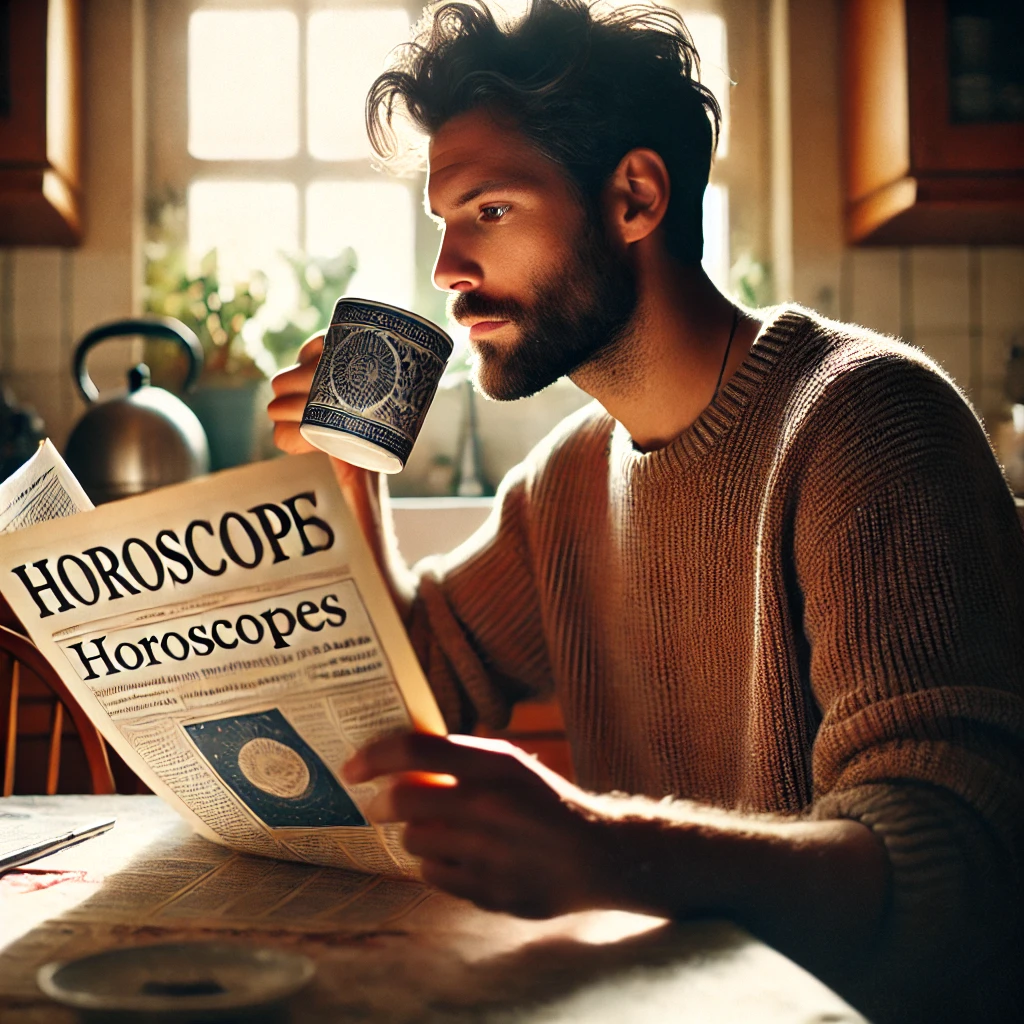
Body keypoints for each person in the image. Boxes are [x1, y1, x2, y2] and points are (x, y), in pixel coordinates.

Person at [268, 2, 1024, 1020]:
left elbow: (950, 869)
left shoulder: (865, 424)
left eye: (487, 211)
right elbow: (421, 696)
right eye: (442, 223)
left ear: (632, 196)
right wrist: (351, 476)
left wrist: (596, 847)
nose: (448, 268)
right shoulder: (564, 481)